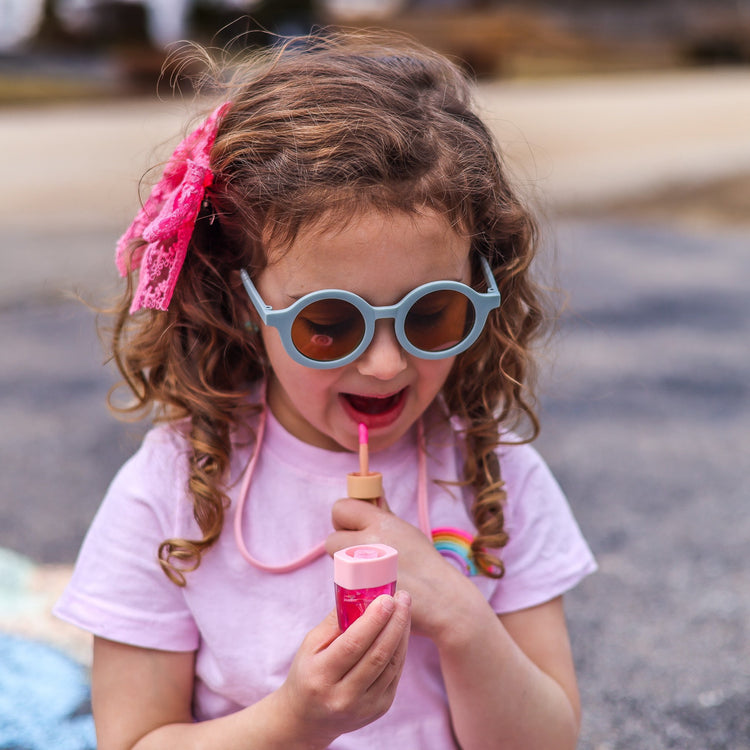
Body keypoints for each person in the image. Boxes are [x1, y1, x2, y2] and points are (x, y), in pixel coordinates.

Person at [54, 30, 596, 750]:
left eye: (429, 313)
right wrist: (296, 720)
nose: (383, 363)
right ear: (245, 301)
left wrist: (460, 617)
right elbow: (133, 739)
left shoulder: (497, 476)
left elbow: (548, 740)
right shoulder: (174, 491)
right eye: (329, 324)